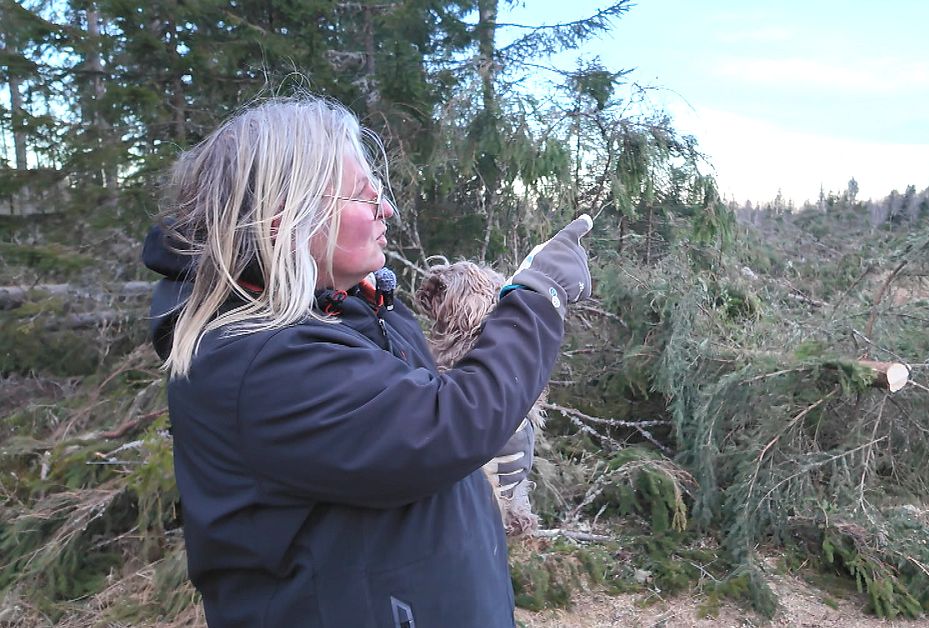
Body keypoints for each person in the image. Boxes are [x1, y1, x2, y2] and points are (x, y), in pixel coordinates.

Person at [141, 95, 592, 627]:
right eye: (363, 196)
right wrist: (541, 296)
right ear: (286, 220)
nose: (389, 211)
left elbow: (412, 431)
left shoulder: (351, 305)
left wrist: (476, 472)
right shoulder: (255, 360)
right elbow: (444, 428)